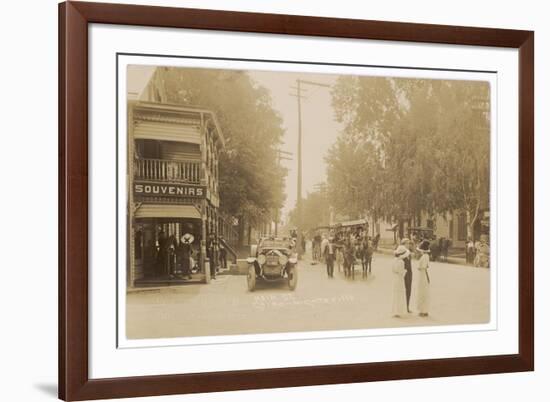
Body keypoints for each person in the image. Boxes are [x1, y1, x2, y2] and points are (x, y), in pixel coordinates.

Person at [392, 244, 409, 317]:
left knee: (395, 293)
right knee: (400, 293)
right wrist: (405, 271)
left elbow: (393, 269)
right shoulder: (401, 262)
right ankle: (399, 311)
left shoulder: (394, 260)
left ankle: (395, 310)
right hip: (400, 278)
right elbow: (402, 272)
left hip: (395, 277)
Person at [416, 239, 431, 317]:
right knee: (424, 292)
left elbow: (422, 267)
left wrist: (419, 267)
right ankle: (424, 310)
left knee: (422, 292)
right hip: (424, 274)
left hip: (422, 274)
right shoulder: (426, 256)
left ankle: (423, 310)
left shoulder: (424, 257)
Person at [402, 238, 413, 313]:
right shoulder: (401, 253)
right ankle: (403, 307)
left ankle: (407, 306)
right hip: (404, 274)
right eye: (407, 244)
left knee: (409, 290)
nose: (408, 245)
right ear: (403, 245)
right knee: (403, 290)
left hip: (409, 274)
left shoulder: (409, 253)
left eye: (409, 244)